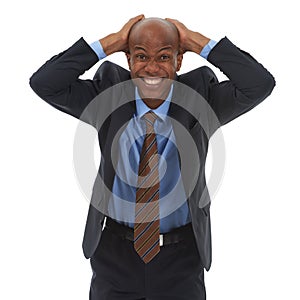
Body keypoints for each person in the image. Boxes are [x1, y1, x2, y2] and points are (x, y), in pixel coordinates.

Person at [29, 15, 275, 300]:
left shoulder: (202, 99)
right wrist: (110, 43)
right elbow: (44, 83)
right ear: (129, 60)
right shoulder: (107, 96)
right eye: (141, 56)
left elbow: (259, 84)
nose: (152, 68)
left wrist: (197, 41)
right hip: (115, 254)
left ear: (178, 61)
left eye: (164, 56)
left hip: (180, 257)